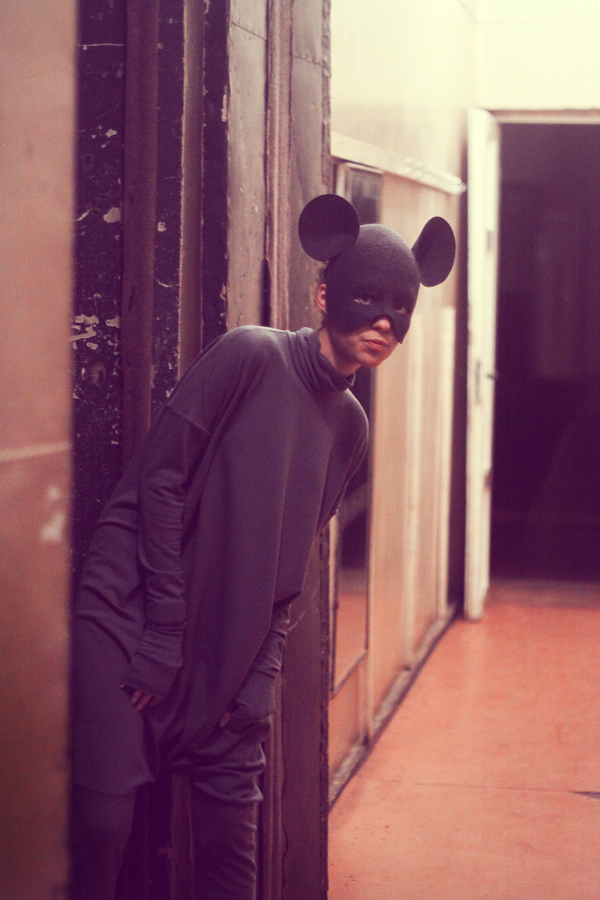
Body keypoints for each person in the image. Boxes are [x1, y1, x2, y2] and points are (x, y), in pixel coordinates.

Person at [70, 193, 455, 900]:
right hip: (129, 621)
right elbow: (159, 484)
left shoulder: (350, 426)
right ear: (323, 294)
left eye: (400, 308)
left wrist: (259, 679)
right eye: (368, 299)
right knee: (99, 828)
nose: (383, 322)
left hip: (228, 655)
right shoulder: (250, 355)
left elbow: (293, 561)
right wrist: (162, 632)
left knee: (231, 856)